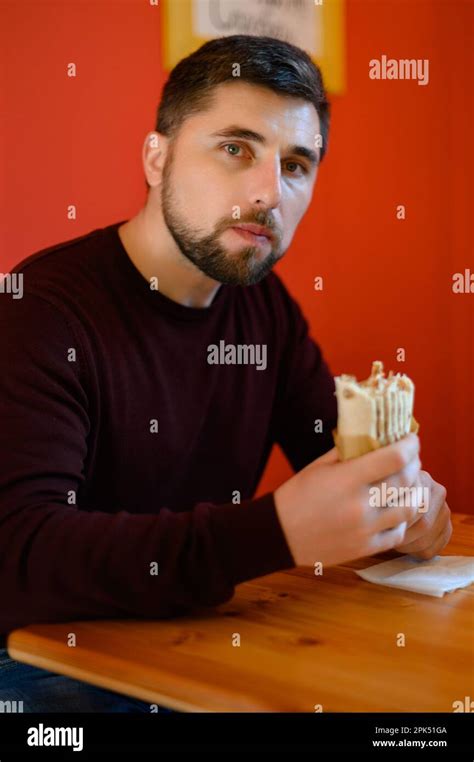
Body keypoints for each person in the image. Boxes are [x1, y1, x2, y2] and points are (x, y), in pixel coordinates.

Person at [0, 35, 451, 712]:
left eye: (296, 165)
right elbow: (18, 558)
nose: (270, 192)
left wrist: (410, 508)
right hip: (42, 664)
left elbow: (340, 461)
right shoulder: (40, 309)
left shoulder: (263, 308)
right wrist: (275, 534)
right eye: (236, 148)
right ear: (157, 158)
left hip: (199, 641)